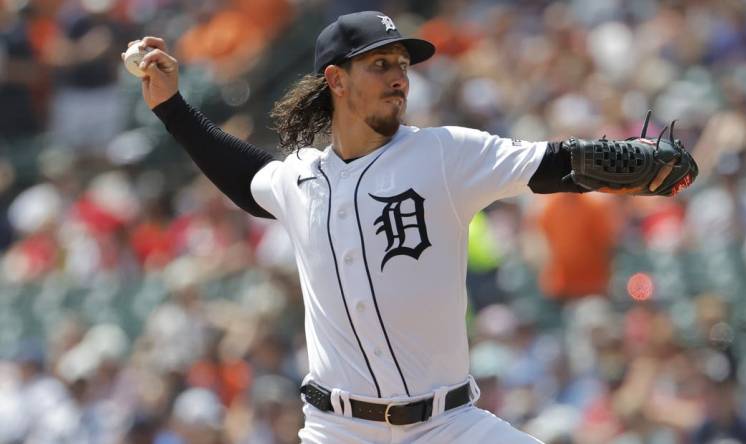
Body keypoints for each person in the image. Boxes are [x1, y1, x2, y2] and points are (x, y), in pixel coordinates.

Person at [123, 10, 697, 443]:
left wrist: (623, 165)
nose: (399, 77)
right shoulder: (299, 179)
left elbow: (551, 164)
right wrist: (172, 107)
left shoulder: (444, 154)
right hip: (338, 430)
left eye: (402, 65)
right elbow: (245, 178)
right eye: (380, 64)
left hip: (448, 425)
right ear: (337, 79)